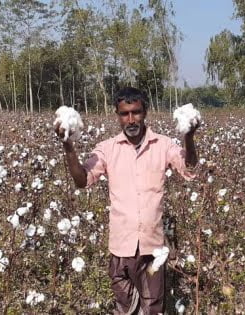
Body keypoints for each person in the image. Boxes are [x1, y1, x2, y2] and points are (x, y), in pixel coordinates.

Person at [55, 87, 198, 314]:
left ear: (145, 113)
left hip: (152, 251)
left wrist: (189, 137)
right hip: (121, 250)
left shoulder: (163, 145)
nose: (131, 119)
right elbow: (82, 180)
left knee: (153, 308)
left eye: (136, 112)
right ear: (117, 115)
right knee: (125, 308)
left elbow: (189, 169)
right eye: (124, 114)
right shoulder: (107, 149)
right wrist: (67, 145)